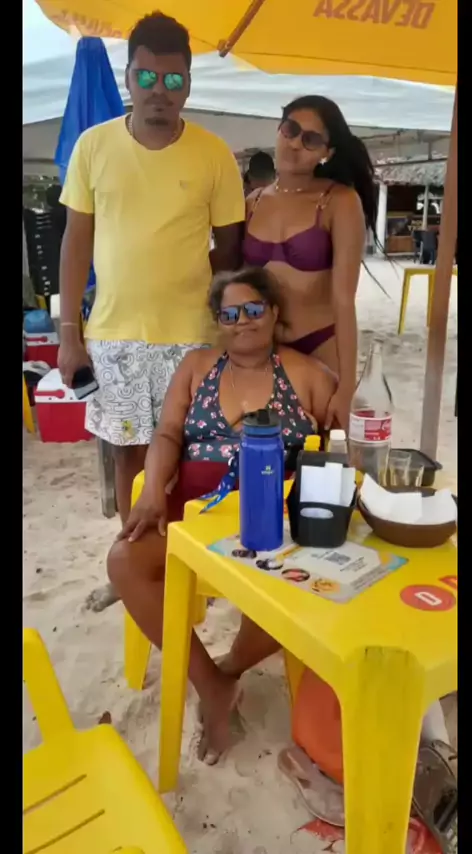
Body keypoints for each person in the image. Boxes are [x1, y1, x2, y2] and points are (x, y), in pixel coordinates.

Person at [107, 267, 337, 762]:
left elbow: (342, 449)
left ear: (274, 313)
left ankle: (227, 670)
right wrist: (152, 491)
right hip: (194, 517)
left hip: (274, 526)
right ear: (218, 322)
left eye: (253, 309)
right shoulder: (197, 366)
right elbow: (168, 433)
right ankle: (209, 683)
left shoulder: (309, 375)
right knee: (124, 560)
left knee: (303, 589)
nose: (242, 322)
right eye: (229, 314)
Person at [58, 12, 245, 611]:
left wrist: (223, 331)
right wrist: (69, 333)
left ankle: (185, 571)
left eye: (172, 80)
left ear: (187, 84)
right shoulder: (94, 147)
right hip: (114, 335)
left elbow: (230, 253)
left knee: (188, 458)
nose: (158, 91)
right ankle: (132, 567)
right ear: (129, 76)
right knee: (128, 456)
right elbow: (76, 241)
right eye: (146, 77)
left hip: (192, 338)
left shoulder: (215, 155)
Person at [243, 95, 379, 431]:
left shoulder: (339, 201)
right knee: (266, 447)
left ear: (326, 153)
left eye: (311, 139)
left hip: (320, 343)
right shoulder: (252, 203)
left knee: (327, 450)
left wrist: (346, 387)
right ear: (279, 129)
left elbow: (344, 300)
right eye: (290, 130)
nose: (294, 144)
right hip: (266, 347)